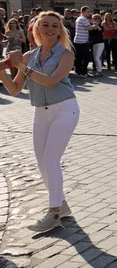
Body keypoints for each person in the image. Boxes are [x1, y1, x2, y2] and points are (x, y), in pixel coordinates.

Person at [0, 12, 79, 232]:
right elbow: (15, 90)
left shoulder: (65, 54)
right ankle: (61, 205)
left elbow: (52, 82)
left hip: (65, 109)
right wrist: (4, 71)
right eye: (45, 25)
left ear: (60, 30)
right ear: (37, 29)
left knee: (51, 160)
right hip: (40, 113)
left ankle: (53, 212)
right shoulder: (29, 55)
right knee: (42, 162)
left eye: (55, 26)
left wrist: (22, 67)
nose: (50, 29)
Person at [73, 6, 96, 77]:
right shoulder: (84, 19)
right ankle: (83, 72)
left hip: (78, 40)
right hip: (83, 41)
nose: (89, 13)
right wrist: (95, 25)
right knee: (86, 57)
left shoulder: (78, 18)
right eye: (88, 11)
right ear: (84, 11)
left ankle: (78, 71)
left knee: (79, 57)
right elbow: (89, 28)